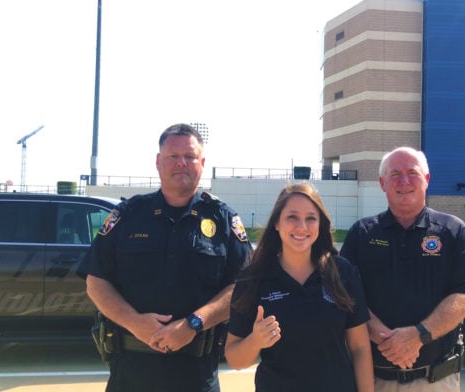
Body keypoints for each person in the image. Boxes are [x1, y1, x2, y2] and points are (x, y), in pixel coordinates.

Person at [78, 123, 252, 392]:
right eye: (173, 156)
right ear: (159, 162)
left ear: (202, 163)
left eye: (190, 156)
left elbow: (242, 287)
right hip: (130, 373)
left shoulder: (223, 219)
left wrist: (193, 324)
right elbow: (96, 281)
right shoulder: (129, 215)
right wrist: (135, 323)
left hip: (196, 375)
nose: (181, 163)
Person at [340, 146, 465, 392]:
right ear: (382, 183)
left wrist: (418, 335)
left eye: (412, 172)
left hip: (436, 382)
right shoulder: (361, 234)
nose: (404, 181)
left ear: (427, 179)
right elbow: (344, 295)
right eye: (395, 174)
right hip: (373, 381)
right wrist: (385, 338)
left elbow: (464, 298)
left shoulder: (453, 231)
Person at [225, 183, 374, 392]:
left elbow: (359, 348)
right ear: (277, 223)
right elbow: (235, 359)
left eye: (311, 218)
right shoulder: (253, 279)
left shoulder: (342, 272)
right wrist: (255, 340)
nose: (302, 227)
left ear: (320, 224)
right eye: (292, 217)